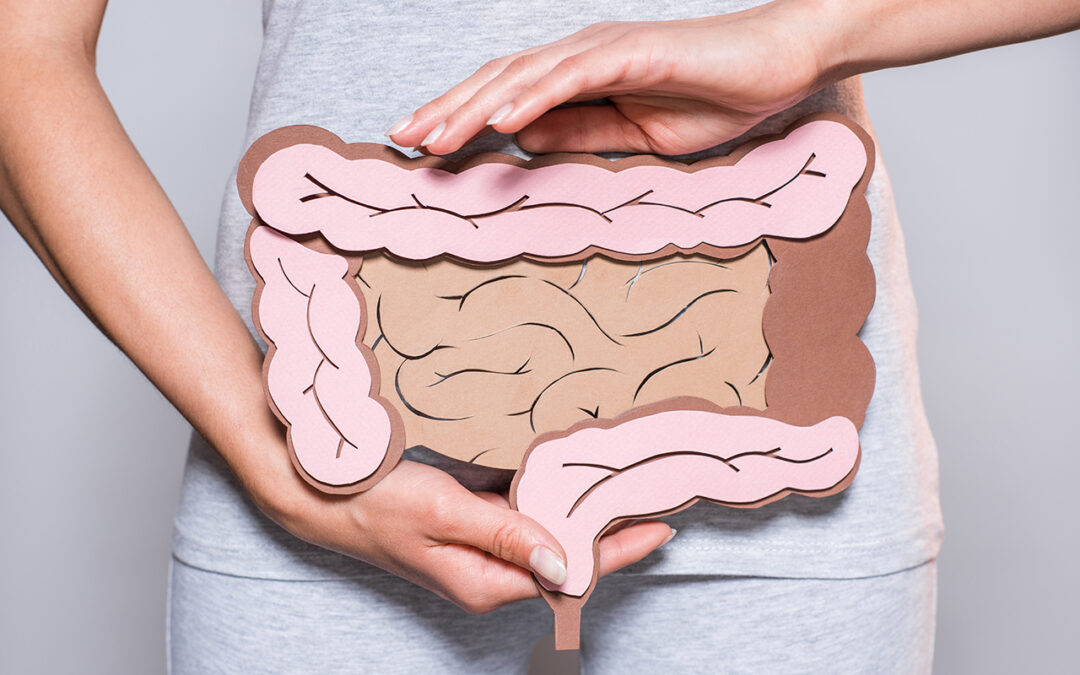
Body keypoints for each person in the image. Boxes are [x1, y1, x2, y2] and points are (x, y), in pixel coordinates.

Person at [2, 0, 1077, 672]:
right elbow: (21, 44)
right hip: (329, 463)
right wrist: (273, 453)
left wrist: (807, 31)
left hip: (778, 465)